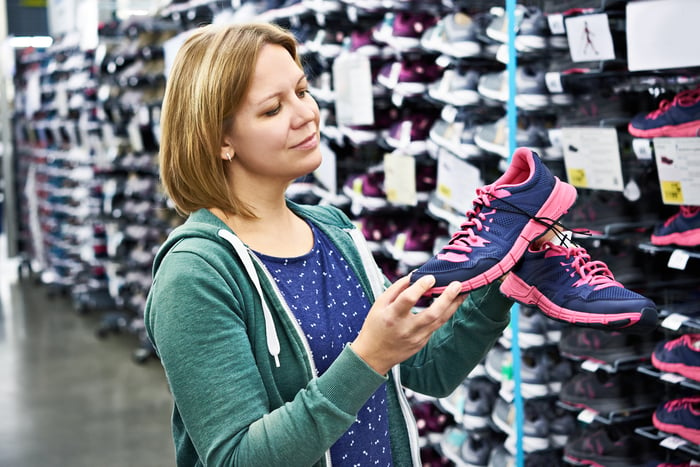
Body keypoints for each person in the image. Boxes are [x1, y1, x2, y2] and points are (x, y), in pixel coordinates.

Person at [144, 22, 514, 467]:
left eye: (302, 91)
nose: (306, 114)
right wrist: (368, 358)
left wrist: (504, 274)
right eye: (272, 109)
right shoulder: (196, 274)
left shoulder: (334, 232)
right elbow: (237, 458)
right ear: (221, 140)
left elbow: (428, 368)